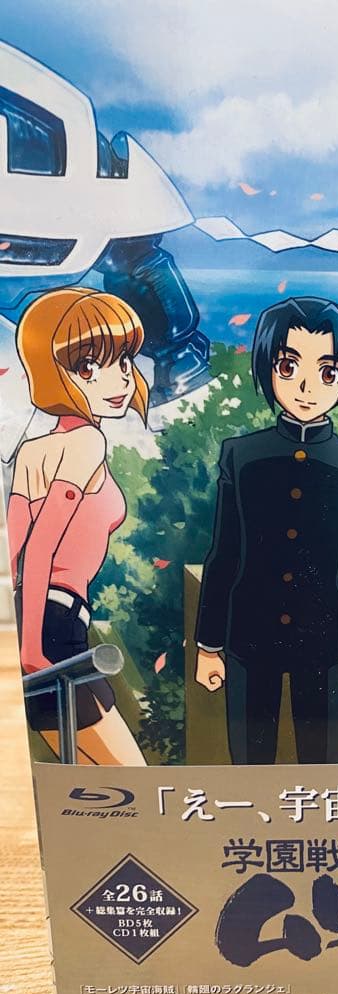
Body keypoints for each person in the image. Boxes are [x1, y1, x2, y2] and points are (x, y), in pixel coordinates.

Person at [194, 296, 338, 765]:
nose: (306, 387)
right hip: (247, 635)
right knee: (248, 762)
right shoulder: (240, 454)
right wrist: (208, 646)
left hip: (324, 639)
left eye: (328, 372)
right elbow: (224, 553)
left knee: (324, 766)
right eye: (288, 366)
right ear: (268, 369)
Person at [8, 287, 149, 765]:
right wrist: (31, 648)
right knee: (130, 779)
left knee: (87, 778)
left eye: (123, 361)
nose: (119, 378)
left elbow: (13, 554)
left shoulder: (32, 451)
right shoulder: (87, 442)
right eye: (88, 366)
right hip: (55, 626)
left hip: (36, 618)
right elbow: (38, 547)